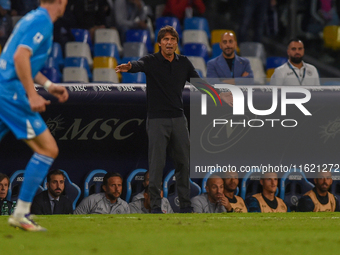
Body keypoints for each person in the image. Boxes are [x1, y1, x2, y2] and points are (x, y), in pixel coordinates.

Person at [115, 25, 201, 214]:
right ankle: (155, 206)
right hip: (157, 120)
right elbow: (138, 65)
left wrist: (221, 96)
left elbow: (200, 84)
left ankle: (185, 205)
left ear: (177, 43)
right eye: (165, 39)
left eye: (172, 39)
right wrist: (129, 67)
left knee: (183, 164)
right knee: (156, 165)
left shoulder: (184, 62)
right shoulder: (151, 60)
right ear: (159, 43)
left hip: (179, 119)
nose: (169, 43)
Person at [0, 0, 69, 231]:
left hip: (3, 89)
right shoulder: (42, 21)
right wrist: (32, 94)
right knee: (48, 149)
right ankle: (20, 214)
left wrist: (49, 85)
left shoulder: (31, 18)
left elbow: (25, 61)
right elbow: (20, 58)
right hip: (12, 93)